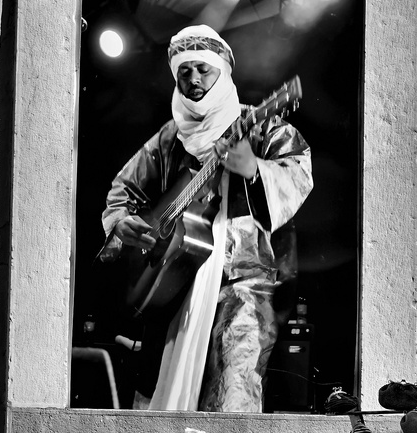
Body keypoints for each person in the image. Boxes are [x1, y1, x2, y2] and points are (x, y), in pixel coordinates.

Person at [101, 24, 312, 412]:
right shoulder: (169, 138)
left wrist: (254, 170)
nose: (194, 79)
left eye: (204, 69)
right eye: (185, 71)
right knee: (156, 408)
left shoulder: (262, 124)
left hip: (243, 284)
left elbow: (299, 173)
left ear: (223, 72)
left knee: (234, 394)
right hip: (172, 287)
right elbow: (122, 191)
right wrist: (118, 221)